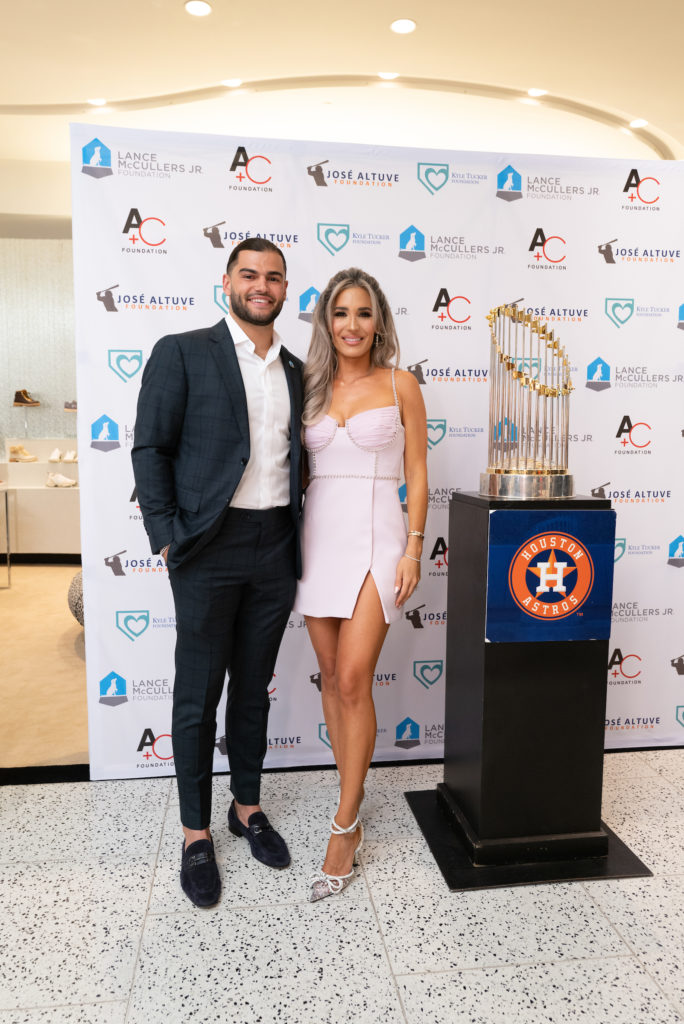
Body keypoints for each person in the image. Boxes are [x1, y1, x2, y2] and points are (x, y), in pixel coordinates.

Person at [132, 238, 303, 908]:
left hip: (274, 546)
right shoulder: (183, 351)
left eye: (274, 277)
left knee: (254, 691)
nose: (262, 286)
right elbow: (151, 445)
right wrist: (168, 537)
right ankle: (195, 832)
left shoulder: (294, 367)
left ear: (286, 289)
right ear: (227, 280)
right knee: (198, 695)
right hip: (206, 545)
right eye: (250, 274)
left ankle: (247, 807)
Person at [293, 267, 428, 902]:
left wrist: (415, 545)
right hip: (317, 536)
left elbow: (418, 471)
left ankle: (346, 825)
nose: (352, 324)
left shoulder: (402, 383)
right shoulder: (308, 385)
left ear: (380, 322)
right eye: (341, 312)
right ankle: (352, 784)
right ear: (326, 320)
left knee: (353, 678)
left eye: (364, 313)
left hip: (378, 536)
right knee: (328, 673)